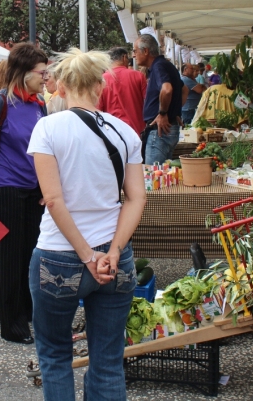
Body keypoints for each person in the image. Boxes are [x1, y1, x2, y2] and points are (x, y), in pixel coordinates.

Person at [27, 48, 145, 399]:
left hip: (59, 257)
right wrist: (112, 250)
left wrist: (86, 256)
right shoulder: (126, 132)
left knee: (55, 357)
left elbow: (53, 200)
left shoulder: (47, 128)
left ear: (60, 88)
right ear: (100, 86)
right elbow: (136, 198)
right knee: (108, 362)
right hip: (115, 259)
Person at [0, 43, 48, 343]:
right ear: (23, 72)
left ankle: (8, 309)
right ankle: (13, 326)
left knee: (30, 257)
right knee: (9, 259)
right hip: (6, 190)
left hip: (33, 192)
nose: (46, 77)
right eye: (41, 72)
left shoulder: (39, 104)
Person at [133, 34, 184, 165]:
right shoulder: (164, 65)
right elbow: (184, 89)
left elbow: (167, 89)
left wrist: (163, 113)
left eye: (135, 51)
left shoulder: (158, 66)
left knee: (154, 176)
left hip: (160, 131)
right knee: (163, 175)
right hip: (166, 128)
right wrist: (175, 111)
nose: (133, 55)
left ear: (145, 51)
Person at [97, 47, 147, 134]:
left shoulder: (102, 79)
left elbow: (98, 108)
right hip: (136, 131)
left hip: (112, 131)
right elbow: (148, 101)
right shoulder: (138, 76)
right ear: (124, 57)